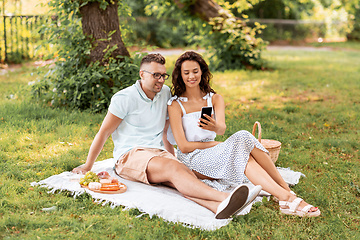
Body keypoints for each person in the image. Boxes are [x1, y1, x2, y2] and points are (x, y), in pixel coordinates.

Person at [72, 53, 254, 219]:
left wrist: (172, 156)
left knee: (183, 175)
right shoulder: (124, 98)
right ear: (142, 74)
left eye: (163, 75)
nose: (160, 80)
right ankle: (226, 197)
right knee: (173, 169)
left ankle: (217, 207)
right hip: (130, 155)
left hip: (158, 153)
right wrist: (88, 166)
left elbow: (167, 130)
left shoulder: (165, 93)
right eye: (155, 75)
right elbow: (104, 132)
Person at [167, 51, 321, 217]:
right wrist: (216, 144)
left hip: (214, 152)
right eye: (186, 72)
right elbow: (183, 146)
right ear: (180, 75)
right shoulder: (175, 105)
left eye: (195, 71)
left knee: (243, 139)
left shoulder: (215, 99)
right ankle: (286, 195)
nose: (191, 76)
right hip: (193, 159)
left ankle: (285, 193)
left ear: (202, 72)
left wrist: (214, 127)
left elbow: (222, 130)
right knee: (242, 143)